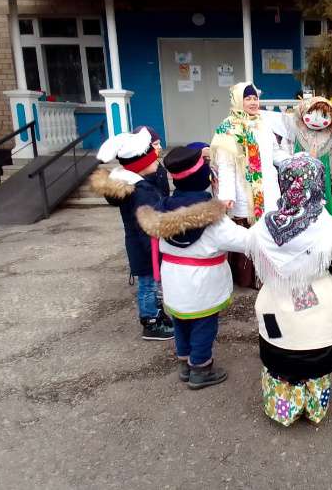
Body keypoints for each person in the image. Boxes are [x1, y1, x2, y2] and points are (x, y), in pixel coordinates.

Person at [246, 156, 332, 426]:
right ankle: (314, 407)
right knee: (315, 364)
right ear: (316, 183)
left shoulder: (263, 228)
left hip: (276, 312)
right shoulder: (329, 230)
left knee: (280, 362)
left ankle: (283, 408)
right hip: (317, 321)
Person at [136, 146, 250, 389]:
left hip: (173, 280)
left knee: (180, 321)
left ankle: (185, 363)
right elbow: (243, 241)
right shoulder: (214, 219)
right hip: (203, 284)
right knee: (203, 325)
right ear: (204, 179)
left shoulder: (162, 210)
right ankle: (200, 368)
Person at [90, 127, 173, 341]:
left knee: (152, 283)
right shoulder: (142, 192)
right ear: (141, 166)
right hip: (146, 246)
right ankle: (151, 322)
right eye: (153, 161)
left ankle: (157, 314)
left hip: (142, 244)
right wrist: (155, 251)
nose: (157, 163)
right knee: (148, 284)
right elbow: (146, 225)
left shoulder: (138, 184)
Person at [210, 82, 290, 288]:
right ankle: (247, 277)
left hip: (267, 188)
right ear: (238, 100)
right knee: (246, 233)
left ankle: (268, 274)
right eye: (248, 98)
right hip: (242, 190)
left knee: (268, 228)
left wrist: (292, 161)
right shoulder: (228, 128)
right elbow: (225, 165)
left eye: (255, 98)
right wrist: (227, 195)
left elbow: (275, 152)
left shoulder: (263, 123)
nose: (253, 102)